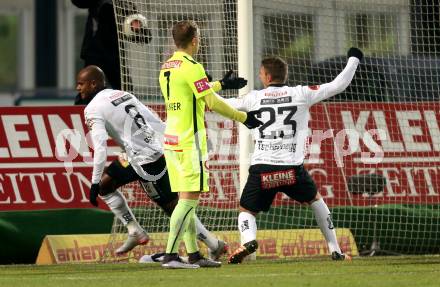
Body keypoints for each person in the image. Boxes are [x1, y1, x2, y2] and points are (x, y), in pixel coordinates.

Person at [225, 48, 363, 264]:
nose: (260, 76)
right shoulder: (301, 93)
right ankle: (335, 249)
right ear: (284, 75)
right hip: (291, 170)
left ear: (267, 76)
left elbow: (216, 104)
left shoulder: (253, 98)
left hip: (263, 169)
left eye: (261, 73)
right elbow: (339, 85)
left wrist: (212, 86)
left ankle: (249, 240)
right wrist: (354, 59)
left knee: (246, 211)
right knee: (317, 202)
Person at [77, 65, 229, 259]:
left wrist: (93, 182)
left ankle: (213, 244)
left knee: (173, 206)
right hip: (135, 155)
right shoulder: (123, 94)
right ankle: (134, 231)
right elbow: (152, 118)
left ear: (93, 83)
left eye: (81, 84)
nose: (78, 88)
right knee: (107, 185)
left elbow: (100, 149)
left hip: (147, 160)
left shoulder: (92, 109)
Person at [158, 20, 263, 269]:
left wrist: (221, 85)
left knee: (185, 200)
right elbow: (211, 103)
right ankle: (171, 255)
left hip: (171, 139)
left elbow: (190, 92)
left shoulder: (166, 67)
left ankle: (193, 254)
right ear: (195, 40)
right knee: (188, 200)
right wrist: (243, 117)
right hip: (189, 141)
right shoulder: (193, 66)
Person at [72, 0, 151, 104]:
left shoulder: (126, 5)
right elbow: (79, 3)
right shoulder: (97, 3)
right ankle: (79, 115)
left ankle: (131, 115)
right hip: (94, 54)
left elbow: (146, 37)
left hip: (115, 55)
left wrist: (137, 29)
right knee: (87, 91)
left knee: (126, 94)